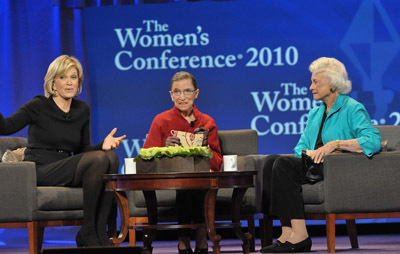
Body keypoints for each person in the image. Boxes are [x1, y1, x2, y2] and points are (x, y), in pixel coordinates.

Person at [0, 55, 126, 247]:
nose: (69, 82)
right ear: (53, 82)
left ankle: (99, 231)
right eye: (63, 77)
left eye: (73, 77)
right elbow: (6, 127)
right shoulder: (38, 105)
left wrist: (103, 146)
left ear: (79, 81)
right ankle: (88, 231)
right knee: (101, 158)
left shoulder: (81, 109)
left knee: (111, 157)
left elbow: (83, 150)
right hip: (42, 169)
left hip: (67, 166)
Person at [260, 57, 381, 253]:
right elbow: (300, 148)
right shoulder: (315, 114)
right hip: (314, 165)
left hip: (336, 170)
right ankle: (286, 232)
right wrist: (309, 153)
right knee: (270, 162)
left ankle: (301, 236)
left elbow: (373, 141)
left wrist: (334, 145)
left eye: (316, 82)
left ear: (333, 84)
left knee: (282, 164)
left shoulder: (352, 108)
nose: (310, 87)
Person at [143, 71, 223, 254]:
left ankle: (202, 239)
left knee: (199, 183)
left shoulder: (207, 122)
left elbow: (218, 163)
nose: (182, 97)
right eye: (177, 92)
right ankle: (183, 241)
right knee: (184, 184)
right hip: (172, 181)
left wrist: (205, 150)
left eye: (187, 91)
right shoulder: (161, 120)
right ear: (171, 95)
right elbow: (146, 159)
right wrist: (164, 148)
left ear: (196, 93)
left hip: (201, 182)